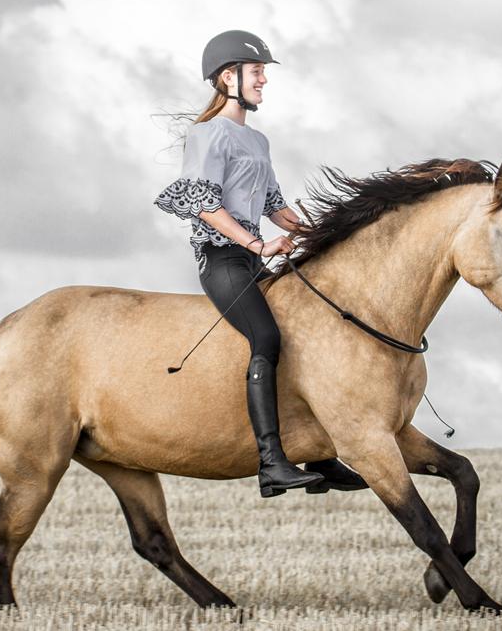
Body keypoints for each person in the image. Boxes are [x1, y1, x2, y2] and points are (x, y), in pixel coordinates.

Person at [153, 29, 368, 498]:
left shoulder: (258, 142)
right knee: (267, 337)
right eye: (257, 73)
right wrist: (257, 245)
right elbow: (204, 204)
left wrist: (322, 231)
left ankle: (321, 457)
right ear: (227, 77)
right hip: (223, 259)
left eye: (264, 74)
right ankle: (271, 462)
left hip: (251, 257)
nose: (264, 81)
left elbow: (274, 204)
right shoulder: (207, 135)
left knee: (303, 333)